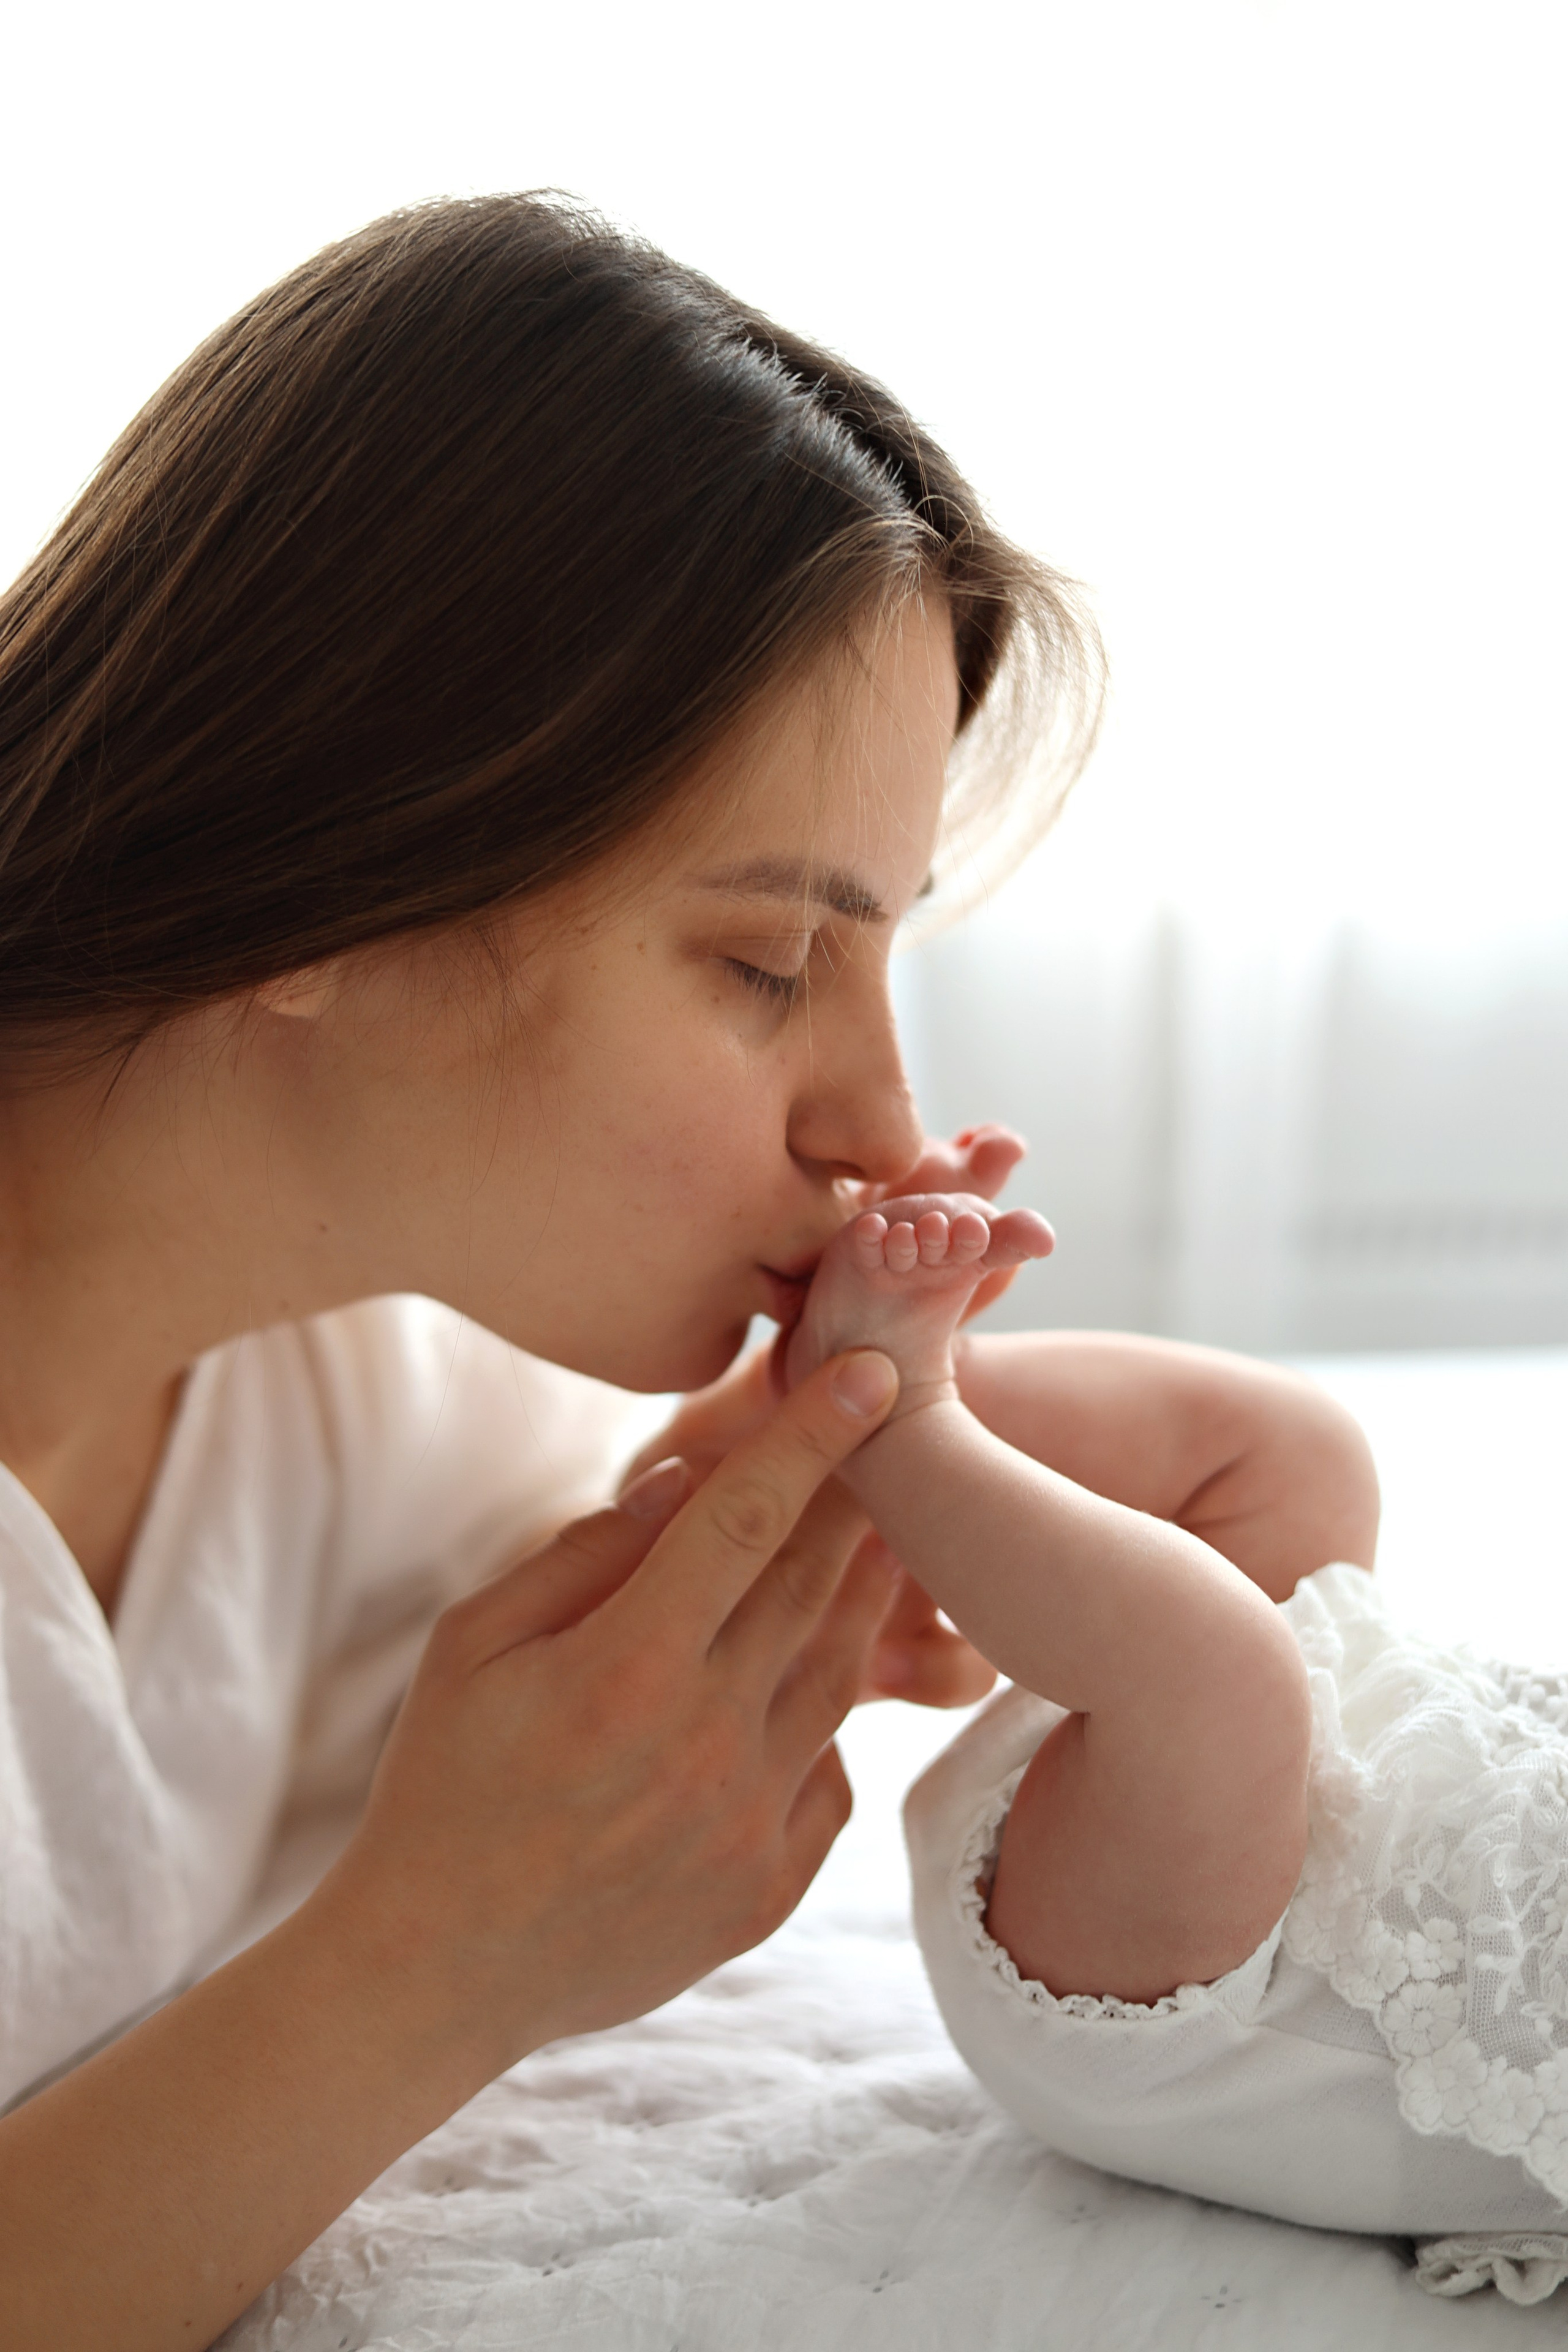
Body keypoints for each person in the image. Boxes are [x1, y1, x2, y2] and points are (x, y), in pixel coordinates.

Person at [0, 190, 1371, 2348]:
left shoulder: (347, 1396)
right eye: (764, 962)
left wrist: (800, 1504)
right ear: (332, 863)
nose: (890, 1132)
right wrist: (428, 1967)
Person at [745, 1178, 1568, 2299]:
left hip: (1188, 1989)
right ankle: (937, 1379)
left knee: (1220, 1668)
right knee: (1305, 1455)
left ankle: (891, 1410)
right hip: (1339, 1765)